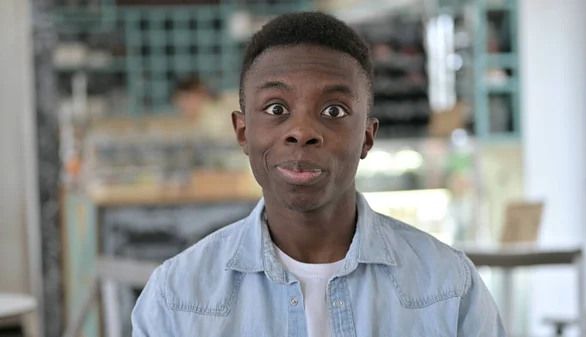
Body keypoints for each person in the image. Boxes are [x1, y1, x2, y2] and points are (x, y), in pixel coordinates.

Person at [132, 12, 506, 336]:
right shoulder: (177, 296)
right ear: (243, 133)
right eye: (277, 108)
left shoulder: (449, 286)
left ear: (367, 137)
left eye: (334, 111)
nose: (302, 131)